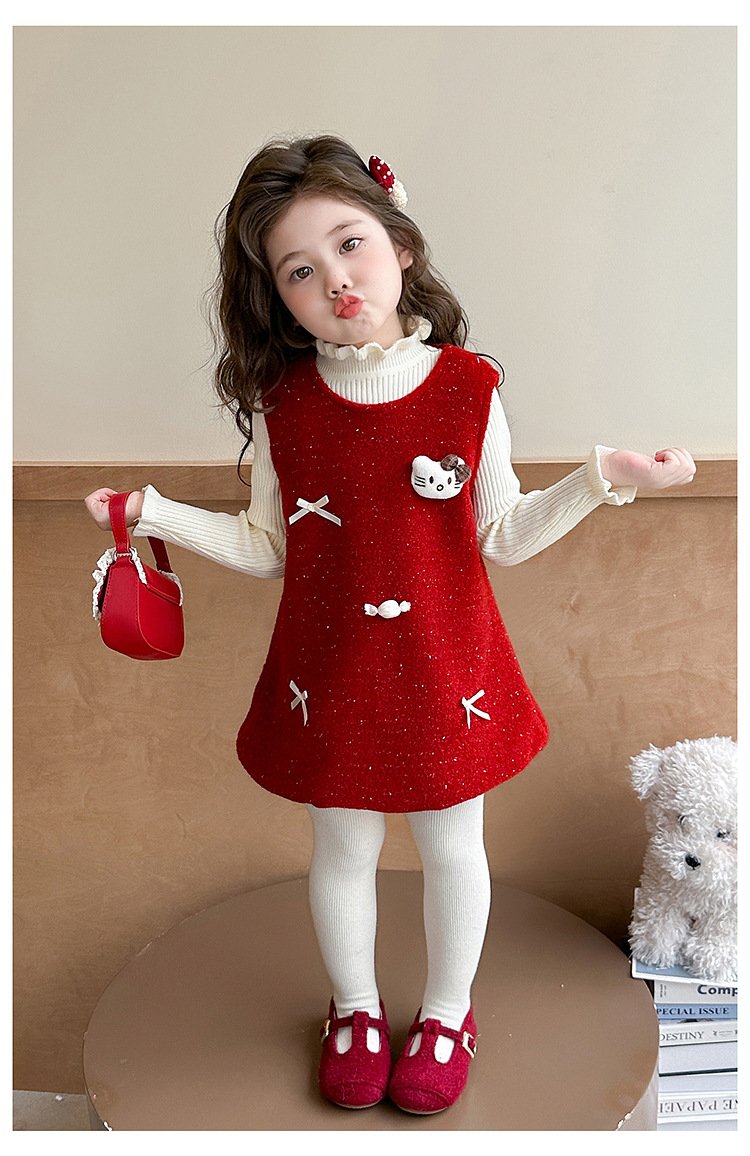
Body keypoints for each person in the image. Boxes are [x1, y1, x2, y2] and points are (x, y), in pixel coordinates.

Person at [84, 134, 696, 1115]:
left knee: (453, 848)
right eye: (299, 269)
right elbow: (267, 546)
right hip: (328, 676)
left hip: (450, 672)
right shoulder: (285, 405)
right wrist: (151, 513)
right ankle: (356, 1009)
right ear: (277, 297)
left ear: (400, 244)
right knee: (343, 850)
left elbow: (503, 534)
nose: (335, 278)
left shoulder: (467, 388)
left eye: (350, 244)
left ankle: (448, 1014)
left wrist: (598, 480)